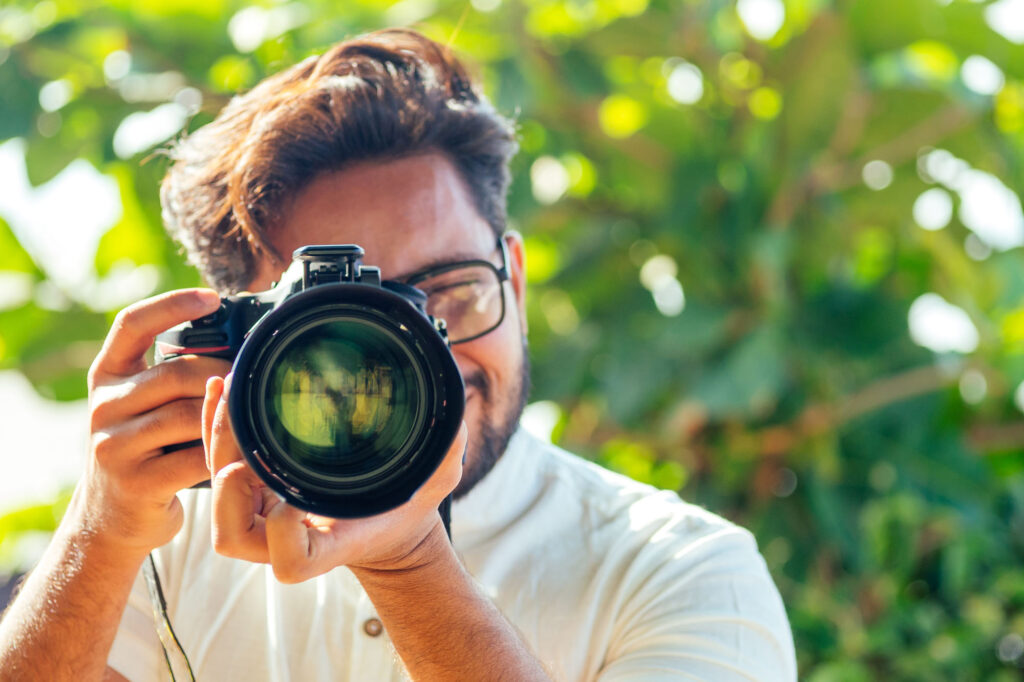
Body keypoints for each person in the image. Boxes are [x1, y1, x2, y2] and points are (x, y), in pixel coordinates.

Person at [0, 28, 797, 681]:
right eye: (339, 322)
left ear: (513, 278)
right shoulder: (161, 548)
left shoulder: (682, 571)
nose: (419, 355)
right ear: (240, 341)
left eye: (446, 292)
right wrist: (98, 534)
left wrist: (410, 565)